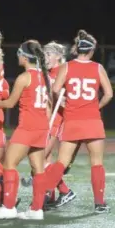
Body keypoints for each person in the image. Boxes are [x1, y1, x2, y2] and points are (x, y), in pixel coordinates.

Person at [0, 40, 51, 220]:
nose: (17, 56)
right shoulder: (45, 76)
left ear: (25, 57)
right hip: (42, 126)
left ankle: (8, 207)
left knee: (8, 164)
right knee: (38, 168)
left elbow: (10, 103)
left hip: (27, 127)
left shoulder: (24, 77)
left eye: (19, 53)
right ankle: (37, 210)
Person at [45, 29, 113, 214]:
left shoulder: (66, 67)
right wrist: (96, 106)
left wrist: (67, 103)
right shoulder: (98, 68)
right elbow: (109, 94)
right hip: (92, 120)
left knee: (61, 162)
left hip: (72, 120)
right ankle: (99, 203)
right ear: (91, 51)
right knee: (96, 163)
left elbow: (56, 89)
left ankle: (39, 198)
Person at [42, 41, 76, 208]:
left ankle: (63, 190)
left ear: (59, 57)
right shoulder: (46, 73)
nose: (45, 57)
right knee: (45, 160)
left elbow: (70, 97)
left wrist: (63, 100)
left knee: (40, 157)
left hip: (55, 121)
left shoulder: (63, 72)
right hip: (45, 119)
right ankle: (51, 195)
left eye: (49, 54)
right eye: (44, 54)